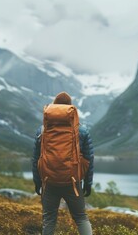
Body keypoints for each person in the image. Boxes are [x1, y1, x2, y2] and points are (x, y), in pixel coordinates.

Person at [32, 92, 94, 235]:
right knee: (81, 218)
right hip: (72, 182)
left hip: (49, 181)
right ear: (70, 110)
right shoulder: (82, 131)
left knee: (49, 219)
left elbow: (36, 159)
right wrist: (88, 183)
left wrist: (38, 182)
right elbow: (89, 159)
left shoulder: (42, 130)